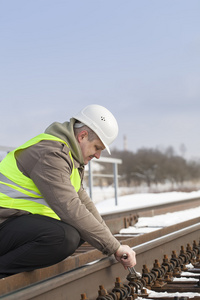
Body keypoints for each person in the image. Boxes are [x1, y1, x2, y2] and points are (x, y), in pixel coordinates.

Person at [0, 104, 136, 279]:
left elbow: (84, 204)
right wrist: (114, 248)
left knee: (80, 230)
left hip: (12, 223)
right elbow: (70, 208)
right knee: (65, 237)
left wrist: (113, 243)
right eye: (97, 147)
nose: (98, 156)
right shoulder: (50, 154)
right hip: (4, 221)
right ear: (83, 136)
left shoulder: (69, 157)